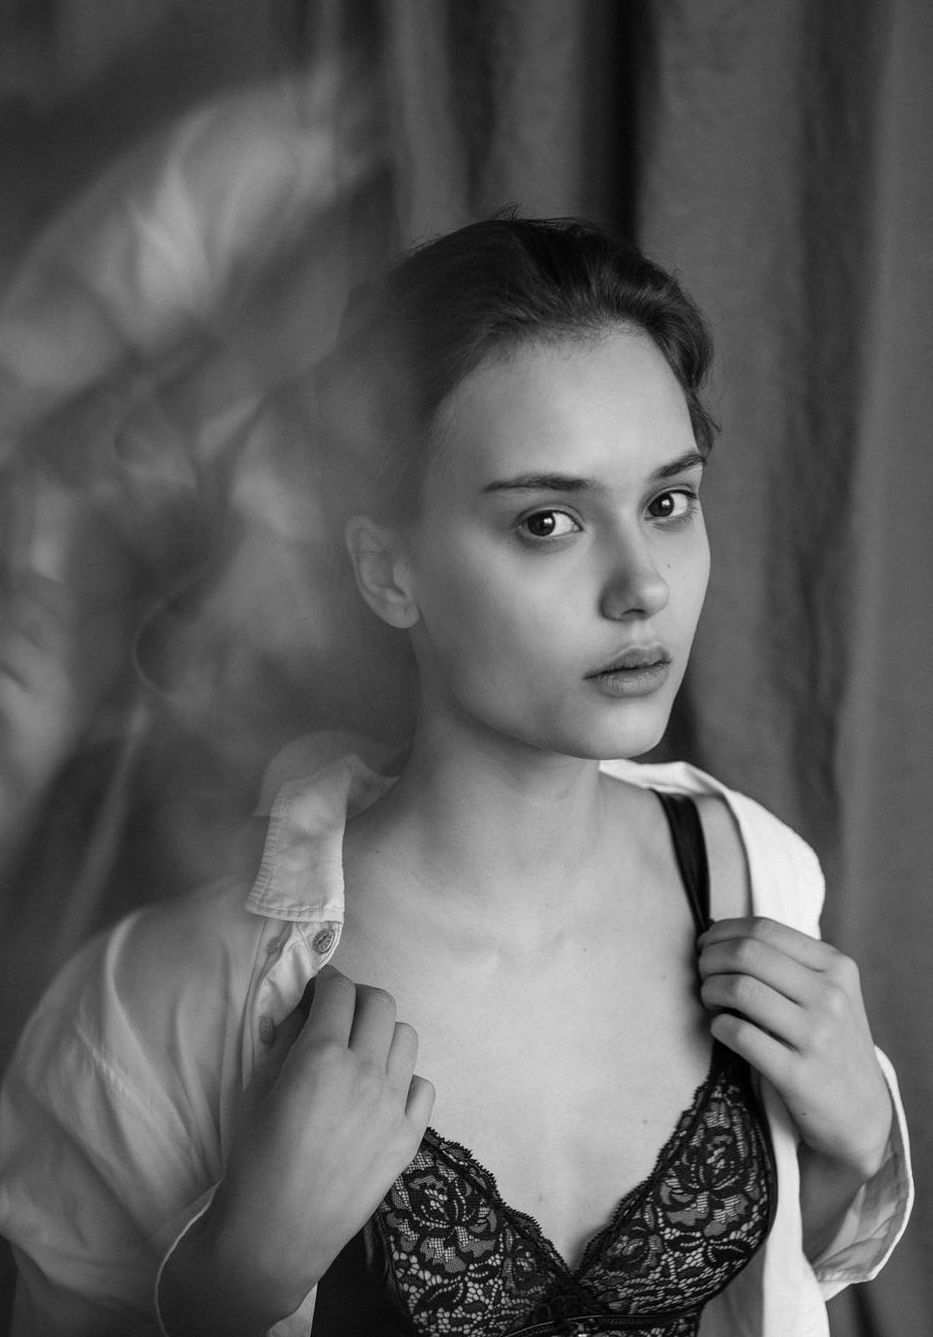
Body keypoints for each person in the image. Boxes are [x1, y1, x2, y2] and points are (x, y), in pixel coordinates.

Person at [0, 216, 912, 1337]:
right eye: (548, 521)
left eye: (667, 501)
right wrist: (231, 1285)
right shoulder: (152, 1005)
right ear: (388, 569)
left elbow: (782, 1281)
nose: (641, 586)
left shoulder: (758, 877)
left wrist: (853, 1144)